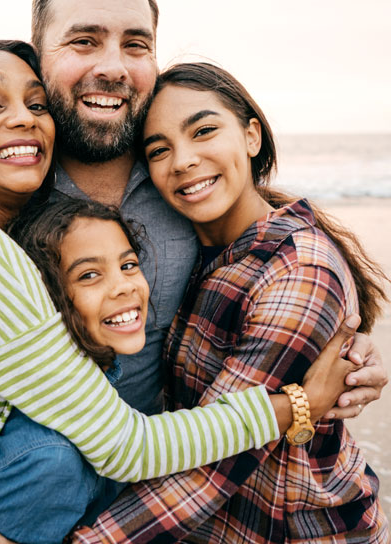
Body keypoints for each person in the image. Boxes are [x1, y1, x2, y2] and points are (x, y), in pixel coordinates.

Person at [0, 0, 388, 534]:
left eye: (135, 44)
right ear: (40, 55)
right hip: (33, 489)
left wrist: (345, 335)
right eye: (84, 40)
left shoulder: (176, 170)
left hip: (158, 489)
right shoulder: (14, 168)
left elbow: (267, 248)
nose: (112, 66)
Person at [66, 63, 390, 543]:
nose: (183, 160)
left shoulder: (300, 270)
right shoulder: (181, 249)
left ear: (251, 135)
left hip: (295, 530)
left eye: (204, 131)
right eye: (160, 150)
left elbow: (216, 462)